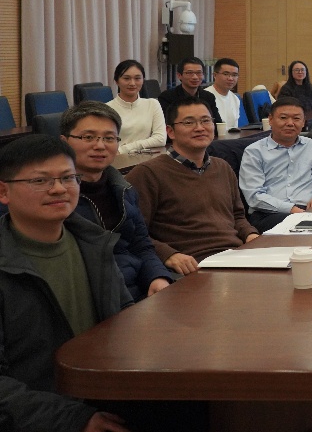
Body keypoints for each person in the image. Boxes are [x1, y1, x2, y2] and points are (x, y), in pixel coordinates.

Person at [0, 135, 134, 432]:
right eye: (40, 181)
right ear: (3, 191)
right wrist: (74, 419)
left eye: (68, 178)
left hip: (108, 395)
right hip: (39, 416)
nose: (59, 189)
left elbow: (126, 317)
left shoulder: (92, 242)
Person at [126, 97, 259, 275]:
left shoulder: (222, 167)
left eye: (205, 121)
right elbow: (133, 232)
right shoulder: (147, 173)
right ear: (170, 131)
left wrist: (250, 234)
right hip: (192, 265)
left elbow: (237, 216)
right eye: (189, 122)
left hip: (235, 256)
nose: (200, 128)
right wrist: (168, 255)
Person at [60, 102, 172, 300]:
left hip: (135, 289)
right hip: (90, 297)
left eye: (109, 138)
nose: (100, 146)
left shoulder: (124, 189)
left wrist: (157, 277)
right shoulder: (55, 197)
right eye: (88, 137)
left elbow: (141, 245)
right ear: (64, 141)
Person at [238, 97, 312, 231]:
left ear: (303, 122)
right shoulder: (254, 152)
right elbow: (254, 196)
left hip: (308, 210)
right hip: (268, 214)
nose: (290, 123)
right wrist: (292, 210)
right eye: (283, 118)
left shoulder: (311, 145)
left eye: (296, 118)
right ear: (270, 120)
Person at [106, 59, 166, 155]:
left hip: (147, 158)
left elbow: (160, 139)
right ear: (117, 81)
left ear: (143, 80)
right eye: (126, 78)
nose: (132, 83)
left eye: (137, 78)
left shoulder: (152, 104)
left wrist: (124, 149)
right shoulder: (107, 109)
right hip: (117, 159)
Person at [156, 57, 222, 124]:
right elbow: (166, 123)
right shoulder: (167, 97)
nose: (195, 77)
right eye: (189, 73)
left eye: (199, 73)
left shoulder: (209, 97)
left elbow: (217, 122)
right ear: (179, 75)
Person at [204, 58, 243, 129]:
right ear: (215, 75)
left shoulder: (235, 98)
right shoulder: (205, 97)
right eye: (226, 74)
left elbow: (234, 128)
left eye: (234, 75)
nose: (230, 78)